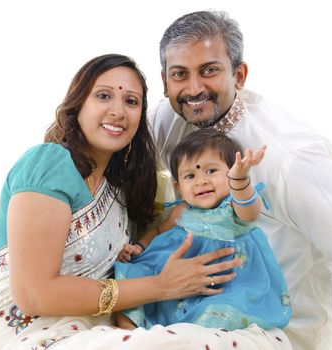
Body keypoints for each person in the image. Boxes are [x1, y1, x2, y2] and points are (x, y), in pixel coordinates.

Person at [0, 53, 281, 350]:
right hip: (29, 332)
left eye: (131, 101)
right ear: (78, 105)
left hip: (98, 327)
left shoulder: (121, 188)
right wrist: (162, 286)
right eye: (103, 96)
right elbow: (34, 294)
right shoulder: (48, 163)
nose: (117, 111)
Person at [148, 10, 332, 350]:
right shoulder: (168, 119)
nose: (194, 88)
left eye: (209, 70)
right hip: (190, 312)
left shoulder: (291, 158)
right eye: (180, 75)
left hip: (277, 329)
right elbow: (120, 164)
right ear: (165, 81)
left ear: (239, 75)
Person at [115, 129, 292, 342]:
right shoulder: (181, 210)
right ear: (178, 187)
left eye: (211, 171)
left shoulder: (234, 208)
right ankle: (128, 331)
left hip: (225, 285)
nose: (201, 181)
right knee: (131, 275)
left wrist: (239, 180)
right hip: (176, 275)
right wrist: (140, 247)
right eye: (190, 176)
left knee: (218, 309)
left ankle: (198, 335)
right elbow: (159, 230)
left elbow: (251, 211)